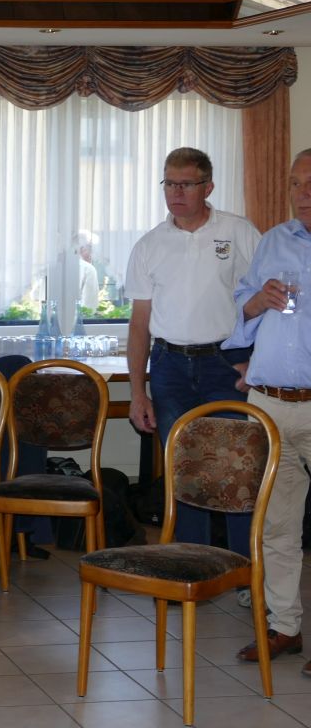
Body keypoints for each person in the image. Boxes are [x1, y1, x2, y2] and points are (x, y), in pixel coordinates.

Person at [125, 147, 259, 563]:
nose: (176, 192)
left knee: (236, 469)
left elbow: (267, 301)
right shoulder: (150, 245)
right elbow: (139, 324)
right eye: (169, 183)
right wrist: (138, 392)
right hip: (169, 366)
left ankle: (243, 571)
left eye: (186, 184)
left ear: (208, 187)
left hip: (226, 364)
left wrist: (255, 362)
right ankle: (191, 564)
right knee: (182, 468)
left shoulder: (239, 232)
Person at [228, 149, 311, 669]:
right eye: (296, 182)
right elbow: (242, 309)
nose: (303, 192)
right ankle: (285, 627)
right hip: (271, 404)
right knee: (278, 526)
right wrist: (258, 301)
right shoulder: (273, 240)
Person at [76, 231, 100, 311]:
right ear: (81, 249)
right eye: (90, 249)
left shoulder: (61, 267)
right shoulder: (89, 269)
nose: (92, 254)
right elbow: (89, 307)